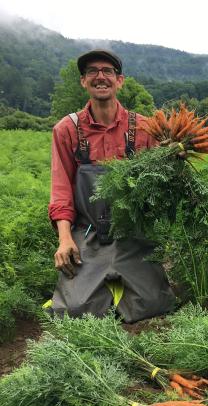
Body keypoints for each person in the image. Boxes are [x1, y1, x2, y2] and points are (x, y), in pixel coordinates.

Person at [49, 49, 176, 322]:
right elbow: (60, 189)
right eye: (92, 72)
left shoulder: (144, 127)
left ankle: (117, 285)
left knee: (155, 303)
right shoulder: (67, 129)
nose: (100, 77)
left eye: (107, 71)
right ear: (84, 81)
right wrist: (65, 238)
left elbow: (162, 180)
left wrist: (173, 156)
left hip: (131, 232)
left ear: (120, 81)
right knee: (73, 312)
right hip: (88, 232)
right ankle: (104, 286)